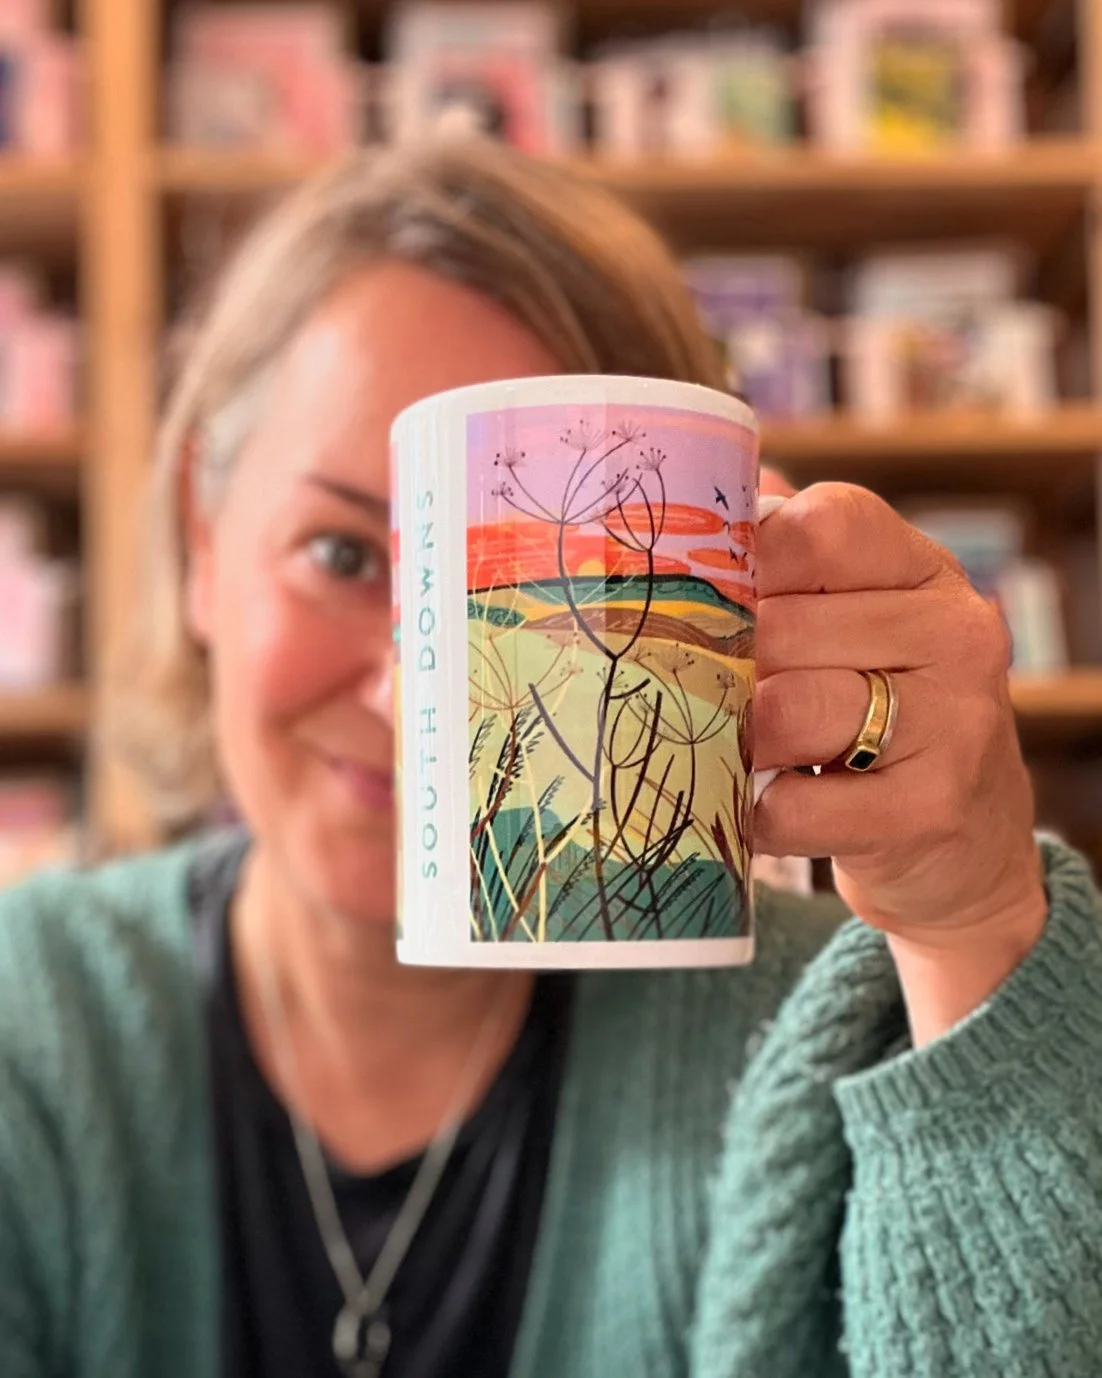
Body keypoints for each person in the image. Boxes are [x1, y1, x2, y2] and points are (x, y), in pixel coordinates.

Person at [0, 134, 1099, 1378]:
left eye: (557, 591)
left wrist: (975, 934)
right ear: (205, 541)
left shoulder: (829, 1022)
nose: (407, 690)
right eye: (345, 556)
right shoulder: (32, 1023)